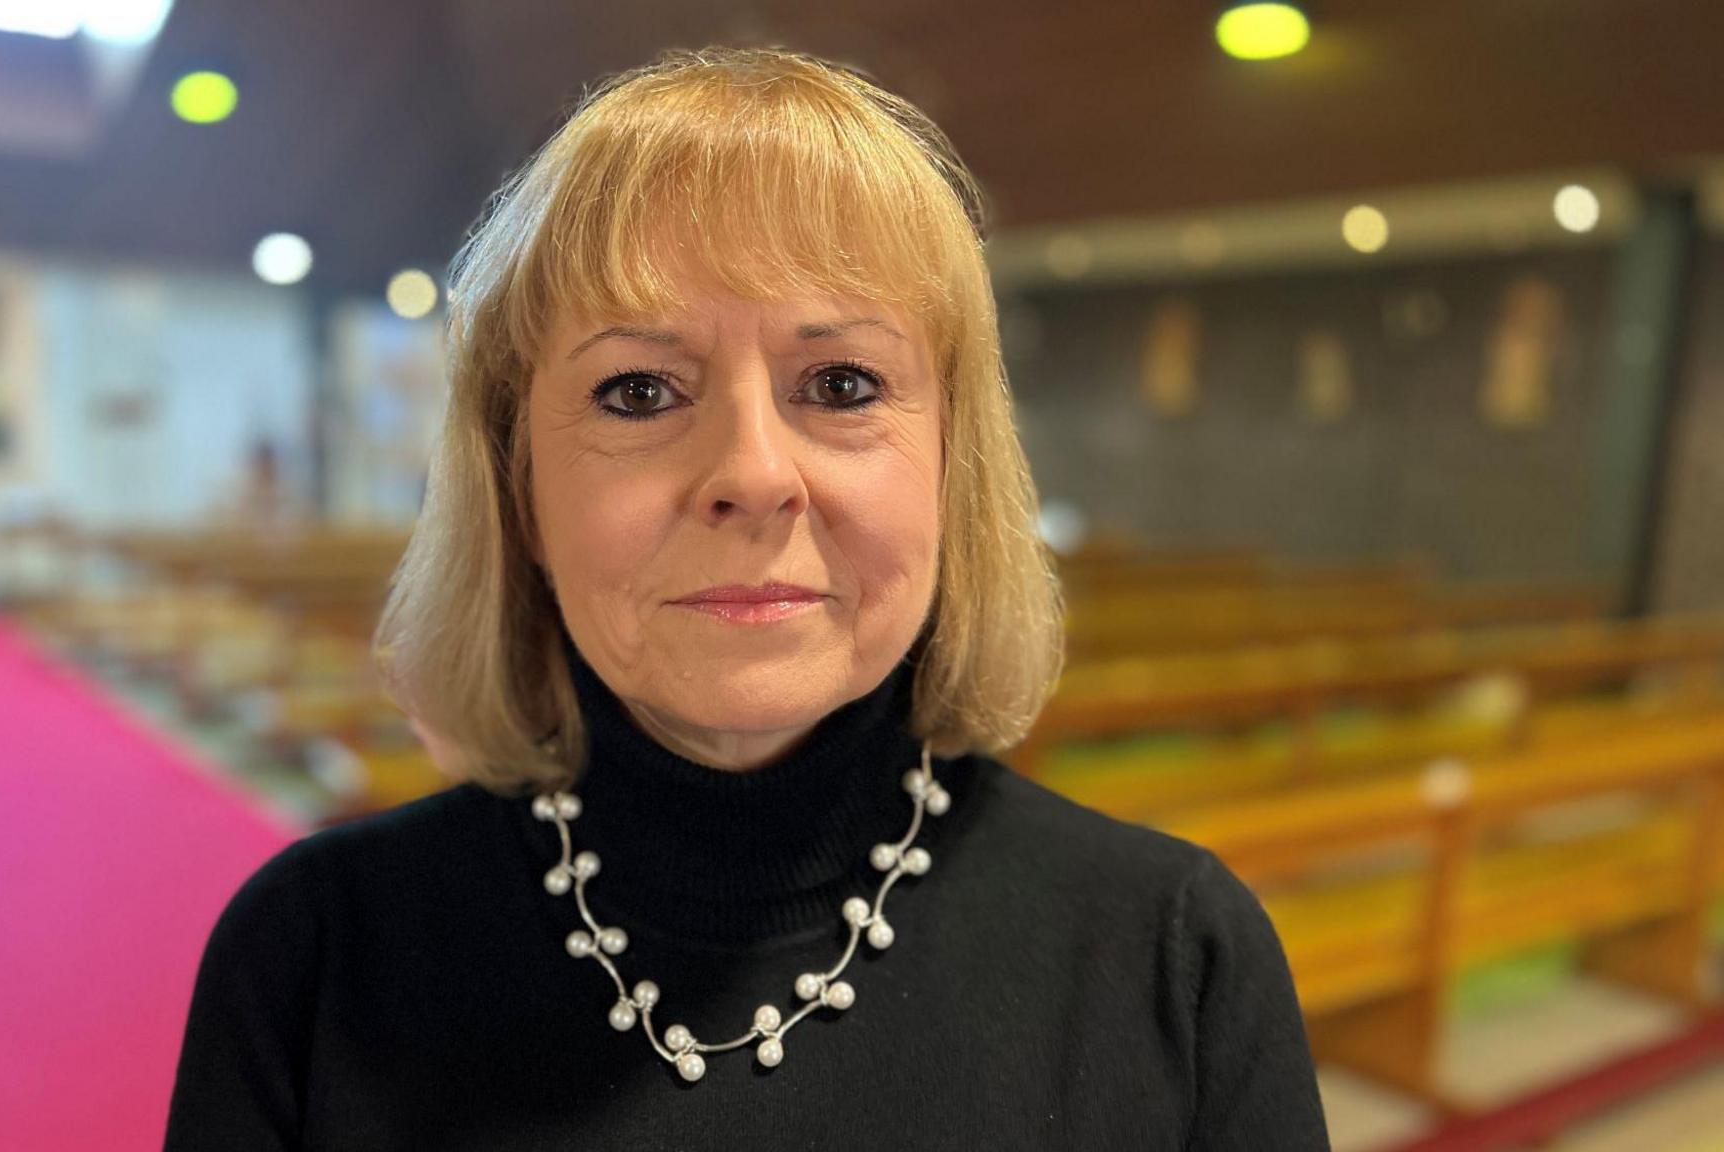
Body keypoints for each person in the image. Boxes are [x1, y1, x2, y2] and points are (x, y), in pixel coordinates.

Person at [164, 46, 1330, 1150]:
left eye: (840, 382)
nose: (752, 475)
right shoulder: (314, 959)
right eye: (635, 391)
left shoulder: (1177, 959)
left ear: (949, 471)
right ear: (515, 488)